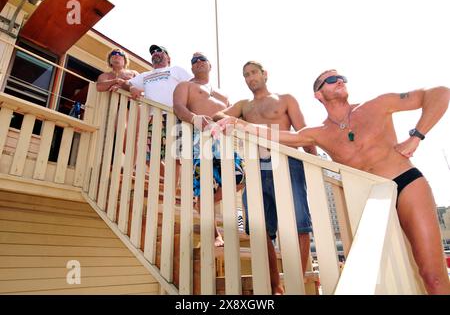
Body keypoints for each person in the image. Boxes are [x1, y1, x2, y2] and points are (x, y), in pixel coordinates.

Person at [217, 69, 450, 295]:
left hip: (406, 183)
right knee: (378, 275)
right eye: (330, 79)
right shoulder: (320, 132)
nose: (339, 81)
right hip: (369, 200)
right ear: (318, 94)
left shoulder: (377, 105)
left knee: (433, 275)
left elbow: (439, 93)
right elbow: (282, 136)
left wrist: (416, 136)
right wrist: (240, 125)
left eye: (341, 78)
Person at [213, 61, 317, 294]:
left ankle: (296, 284)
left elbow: (304, 133)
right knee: (259, 228)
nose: (250, 78)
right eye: (246, 75)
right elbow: (217, 115)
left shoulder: (285, 98)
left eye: (254, 73)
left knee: (299, 223)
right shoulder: (243, 105)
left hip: (287, 161)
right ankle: (275, 286)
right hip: (256, 166)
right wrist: (229, 119)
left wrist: (314, 161)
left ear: (264, 74)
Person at [173, 52, 245, 247]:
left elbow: (232, 114)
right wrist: (194, 118)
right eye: (193, 61)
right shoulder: (185, 85)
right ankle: (215, 235)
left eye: (201, 59)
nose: (197, 62)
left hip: (223, 140)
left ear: (209, 65)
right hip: (199, 139)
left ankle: (204, 203)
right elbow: (178, 107)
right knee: (204, 186)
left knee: (240, 178)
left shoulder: (223, 94)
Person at [128, 45, 192, 174]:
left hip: (175, 116)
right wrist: (132, 88)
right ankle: (166, 182)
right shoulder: (145, 75)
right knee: (148, 156)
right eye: (153, 52)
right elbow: (128, 83)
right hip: (153, 119)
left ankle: (172, 191)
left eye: (159, 51)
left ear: (168, 57)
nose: (155, 53)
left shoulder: (176, 70)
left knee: (175, 156)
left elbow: (193, 85)